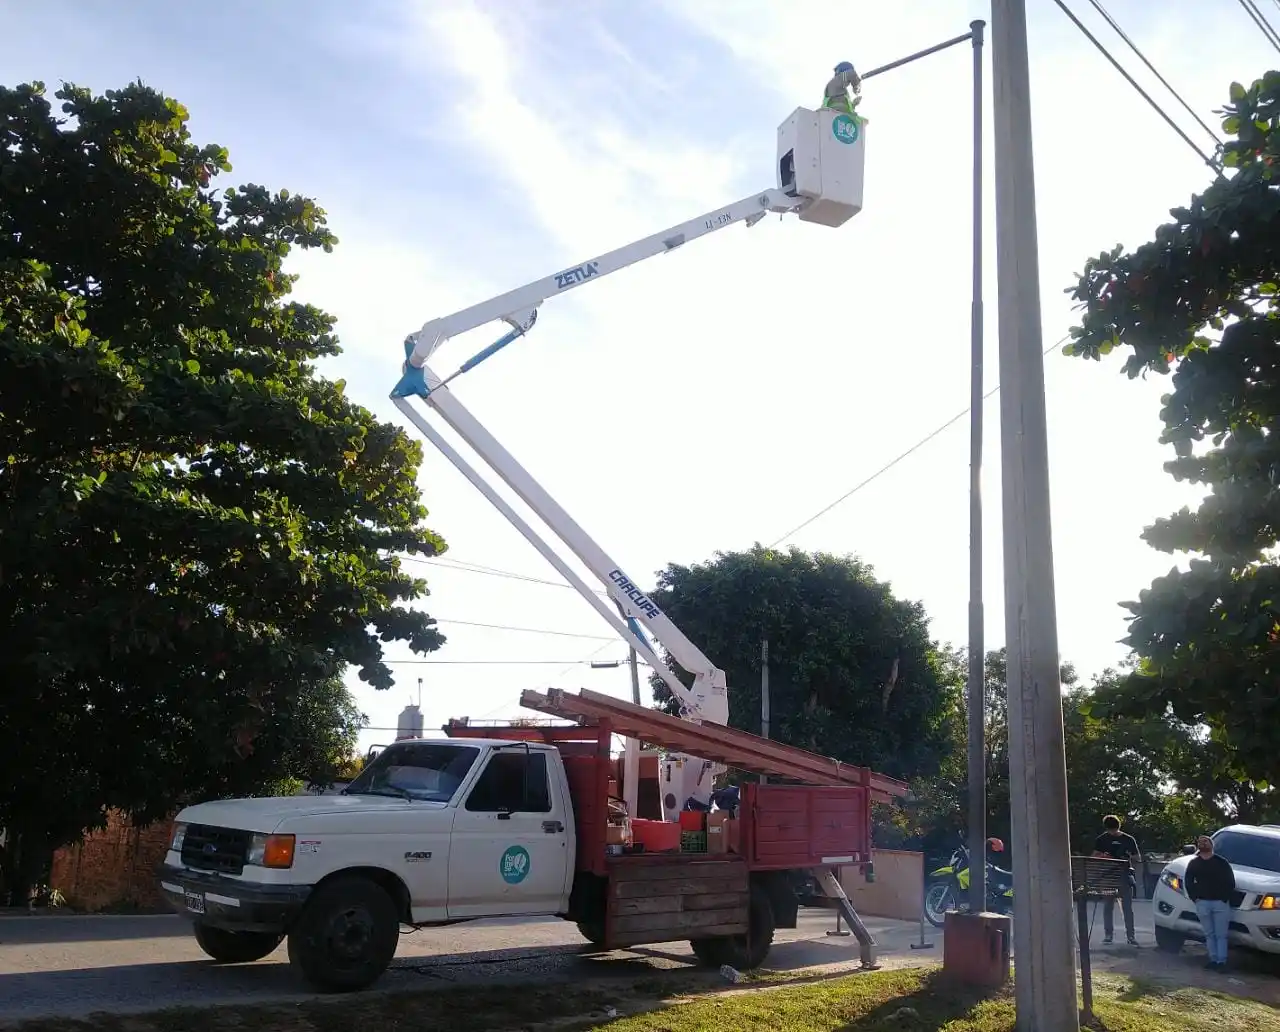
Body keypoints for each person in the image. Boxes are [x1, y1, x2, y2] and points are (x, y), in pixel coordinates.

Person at [1186, 834, 1235, 970]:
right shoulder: (1194, 863)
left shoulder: (1221, 862)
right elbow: (1188, 882)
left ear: (1211, 845)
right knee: (1209, 934)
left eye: (1206, 841)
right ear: (1197, 846)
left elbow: (1230, 882)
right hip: (1202, 903)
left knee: (1221, 934)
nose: (1203, 843)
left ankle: (1221, 961)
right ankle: (1212, 960)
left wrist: (1225, 897)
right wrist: (1195, 898)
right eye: (1200, 841)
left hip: (1220, 903)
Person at [1093, 815, 1141, 945]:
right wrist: (1104, 856)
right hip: (1109, 876)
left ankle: (1126, 935)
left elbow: (1137, 857)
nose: (1113, 833)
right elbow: (1095, 856)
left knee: (1123, 907)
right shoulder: (1104, 839)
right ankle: (1114, 935)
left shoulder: (1127, 839)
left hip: (1120, 875)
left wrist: (1127, 856)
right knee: (1110, 906)